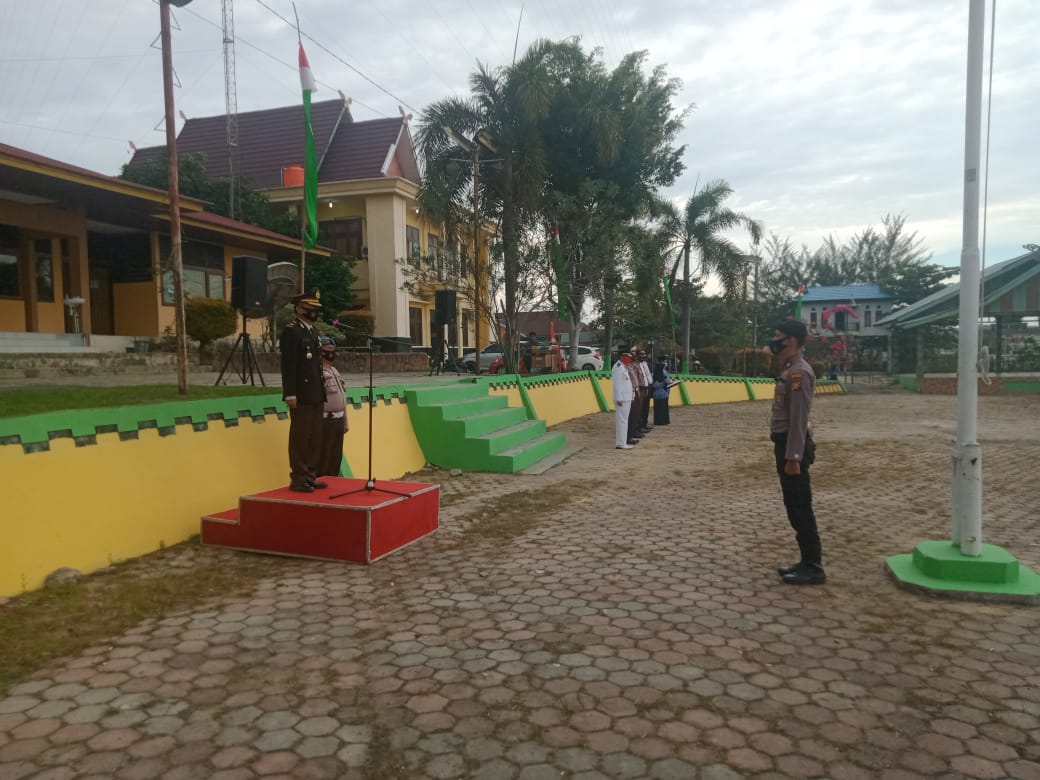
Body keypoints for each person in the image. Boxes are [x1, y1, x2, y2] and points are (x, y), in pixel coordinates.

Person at [769, 319, 824, 585]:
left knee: (800, 506)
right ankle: (805, 561)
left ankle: (813, 566)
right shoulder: (790, 369)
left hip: (793, 448)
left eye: (777, 336)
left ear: (790, 340)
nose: (774, 340)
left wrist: (793, 457)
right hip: (787, 445)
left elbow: (799, 419)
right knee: (794, 506)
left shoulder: (799, 374)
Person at [280, 289, 327, 493]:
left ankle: (310, 475)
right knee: (300, 437)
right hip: (300, 393)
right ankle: (299, 478)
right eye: (310, 309)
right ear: (299, 308)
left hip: (316, 392)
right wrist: (290, 393)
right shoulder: (292, 332)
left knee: (314, 437)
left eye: (316, 309)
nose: (314, 312)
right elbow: (289, 366)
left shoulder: (313, 332)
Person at [317, 337, 349, 478]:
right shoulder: (317, 371)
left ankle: (333, 482)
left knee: (336, 457)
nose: (332, 353)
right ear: (320, 350)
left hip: (339, 419)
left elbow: (342, 396)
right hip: (325, 420)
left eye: (333, 350)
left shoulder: (334, 370)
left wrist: (345, 421)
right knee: (324, 456)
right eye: (328, 349)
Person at [611, 346, 635, 449]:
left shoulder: (623, 367)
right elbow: (617, 385)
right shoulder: (618, 367)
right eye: (628, 356)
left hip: (626, 398)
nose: (630, 359)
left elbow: (627, 384)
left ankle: (622, 442)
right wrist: (619, 398)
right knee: (622, 420)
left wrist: (632, 395)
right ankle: (621, 443)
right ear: (622, 356)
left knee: (624, 420)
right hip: (622, 399)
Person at [652, 357, 673, 425]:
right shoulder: (656, 374)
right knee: (659, 409)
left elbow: (668, 379)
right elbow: (655, 385)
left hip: (665, 393)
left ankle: (665, 421)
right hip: (659, 394)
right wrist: (663, 382)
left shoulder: (665, 372)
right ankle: (659, 421)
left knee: (664, 409)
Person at [637, 349, 653, 433]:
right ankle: (639, 426)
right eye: (641, 355)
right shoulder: (637, 365)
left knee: (646, 407)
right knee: (640, 408)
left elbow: (648, 375)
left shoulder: (646, 364)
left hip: (648, 387)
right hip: (641, 388)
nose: (643, 356)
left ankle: (644, 424)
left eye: (644, 355)